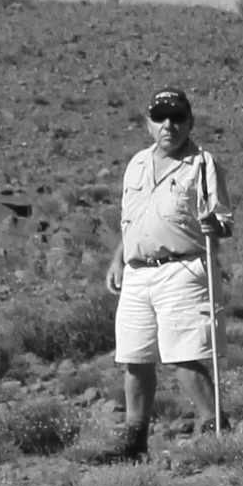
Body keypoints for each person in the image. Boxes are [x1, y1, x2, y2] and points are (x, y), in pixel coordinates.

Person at [95, 87, 232, 460]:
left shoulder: (202, 164)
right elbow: (133, 220)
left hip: (182, 269)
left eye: (177, 117)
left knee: (183, 355)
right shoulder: (137, 163)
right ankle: (134, 438)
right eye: (160, 117)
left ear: (190, 122)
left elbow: (224, 221)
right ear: (148, 123)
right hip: (137, 272)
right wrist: (118, 260)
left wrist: (215, 227)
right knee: (135, 357)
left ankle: (216, 429)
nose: (168, 125)